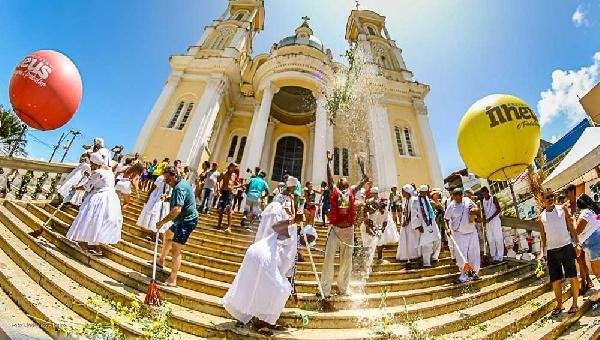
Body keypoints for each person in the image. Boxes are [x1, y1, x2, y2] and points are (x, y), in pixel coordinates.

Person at [223, 220, 316, 335]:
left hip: (260, 259)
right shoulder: (292, 231)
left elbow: (290, 277)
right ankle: (261, 323)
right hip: (262, 258)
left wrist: (295, 295)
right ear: (304, 234)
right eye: (310, 239)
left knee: (271, 289)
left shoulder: (294, 250)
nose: (309, 242)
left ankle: (254, 319)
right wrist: (293, 221)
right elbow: (276, 226)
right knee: (281, 290)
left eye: (311, 241)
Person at [320, 151, 368, 298]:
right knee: (328, 259)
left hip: (348, 230)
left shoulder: (352, 190)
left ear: (348, 183)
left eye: (344, 179)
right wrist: (328, 162)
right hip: (335, 230)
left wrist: (361, 165)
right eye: (340, 179)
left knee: (346, 261)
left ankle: (343, 288)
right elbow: (329, 178)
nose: (342, 179)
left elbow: (365, 179)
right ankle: (325, 289)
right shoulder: (333, 189)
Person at [65, 152, 123, 256]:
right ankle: (95, 248)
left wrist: (75, 187)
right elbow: (99, 182)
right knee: (97, 222)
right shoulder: (109, 172)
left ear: (96, 164)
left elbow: (87, 187)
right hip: (111, 198)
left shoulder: (98, 172)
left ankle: (86, 243)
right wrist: (89, 176)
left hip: (98, 198)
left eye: (92, 164)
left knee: (90, 219)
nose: (91, 166)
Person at [537, 189, 580, 315]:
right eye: (547, 197)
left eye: (551, 196)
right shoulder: (541, 217)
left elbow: (571, 227)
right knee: (555, 280)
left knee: (572, 276)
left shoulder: (562, 209)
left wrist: (577, 243)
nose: (550, 199)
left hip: (566, 246)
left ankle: (575, 304)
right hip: (552, 251)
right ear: (542, 201)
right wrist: (541, 252)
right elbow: (542, 237)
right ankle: (559, 305)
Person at [156, 166, 198, 287]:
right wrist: (169, 197)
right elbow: (181, 201)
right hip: (181, 220)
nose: (166, 182)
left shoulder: (179, 188)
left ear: (174, 176)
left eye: (168, 179)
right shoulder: (179, 184)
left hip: (187, 221)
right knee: (168, 234)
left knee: (176, 249)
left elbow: (177, 210)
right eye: (165, 180)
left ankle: (172, 279)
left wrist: (162, 222)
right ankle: (161, 260)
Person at [444, 188, 481, 283]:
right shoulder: (451, 206)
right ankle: (464, 275)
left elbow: (478, 210)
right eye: (453, 196)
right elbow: (446, 219)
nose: (455, 198)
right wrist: (447, 229)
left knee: (474, 254)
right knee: (461, 256)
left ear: (461, 195)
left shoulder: (468, 201)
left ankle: (474, 273)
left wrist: (474, 210)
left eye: (456, 196)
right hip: (459, 234)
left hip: (472, 231)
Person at [563, 184, 594, 295]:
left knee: (585, 259)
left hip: (585, 233)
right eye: (564, 193)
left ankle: (587, 281)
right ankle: (585, 283)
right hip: (574, 236)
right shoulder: (566, 206)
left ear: (572, 191)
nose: (565, 195)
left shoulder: (580, 202)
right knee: (580, 260)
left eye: (566, 192)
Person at [254, 177, 296, 242]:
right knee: (273, 230)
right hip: (277, 213)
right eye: (294, 187)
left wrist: (293, 214)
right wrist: (291, 215)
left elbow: (291, 206)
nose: (295, 188)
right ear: (290, 186)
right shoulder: (285, 193)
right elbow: (286, 207)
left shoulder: (289, 195)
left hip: (278, 212)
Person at [137, 171, 171, 239]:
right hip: (155, 197)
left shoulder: (170, 179)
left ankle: (155, 234)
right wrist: (148, 196)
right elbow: (153, 187)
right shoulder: (160, 178)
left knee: (159, 215)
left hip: (163, 199)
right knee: (153, 214)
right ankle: (151, 233)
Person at [414, 185, 442, 267]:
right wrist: (418, 225)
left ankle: (434, 256)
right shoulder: (415, 200)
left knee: (438, 238)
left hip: (432, 223)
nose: (424, 194)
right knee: (426, 243)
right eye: (422, 192)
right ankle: (426, 263)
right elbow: (414, 214)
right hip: (422, 225)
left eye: (425, 192)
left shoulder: (427, 199)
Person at [574, 194, 600, 281]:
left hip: (594, 243)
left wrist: (573, 221)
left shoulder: (585, 212)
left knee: (598, 272)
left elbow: (577, 230)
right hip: (596, 240)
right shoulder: (593, 211)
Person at [396, 184, 421, 263]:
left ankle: (414, 255)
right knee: (407, 239)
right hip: (406, 222)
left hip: (412, 223)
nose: (402, 193)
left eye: (403, 191)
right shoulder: (406, 200)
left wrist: (407, 221)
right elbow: (405, 212)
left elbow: (413, 212)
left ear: (407, 192)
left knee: (412, 239)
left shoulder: (413, 199)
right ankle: (407, 255)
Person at [480, 186, 504, 263]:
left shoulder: (493, 198)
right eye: (483, 195)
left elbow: (499, 209)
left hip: (495, 220)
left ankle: (500, 256)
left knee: (498, 238)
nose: (484, 196)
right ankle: (493, 256)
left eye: (485, 194)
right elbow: (484, 212)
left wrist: (490, 218)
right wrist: (484, 219)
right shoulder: (483, 201)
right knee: (490, 239)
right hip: (488, 222)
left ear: (488, 192)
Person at [216, 163, 238, 232]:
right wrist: (218, 190)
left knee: (229, 210)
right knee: (220, 210)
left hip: (229, 194)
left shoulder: (234, 175)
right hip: (223, 193)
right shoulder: (223, 173)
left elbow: (233, 185)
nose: (234, 169)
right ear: (230, 167)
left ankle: (229, 227)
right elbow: (218, 181)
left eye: (235, 168)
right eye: (233, 167)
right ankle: (219, 226)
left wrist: (241, 185)